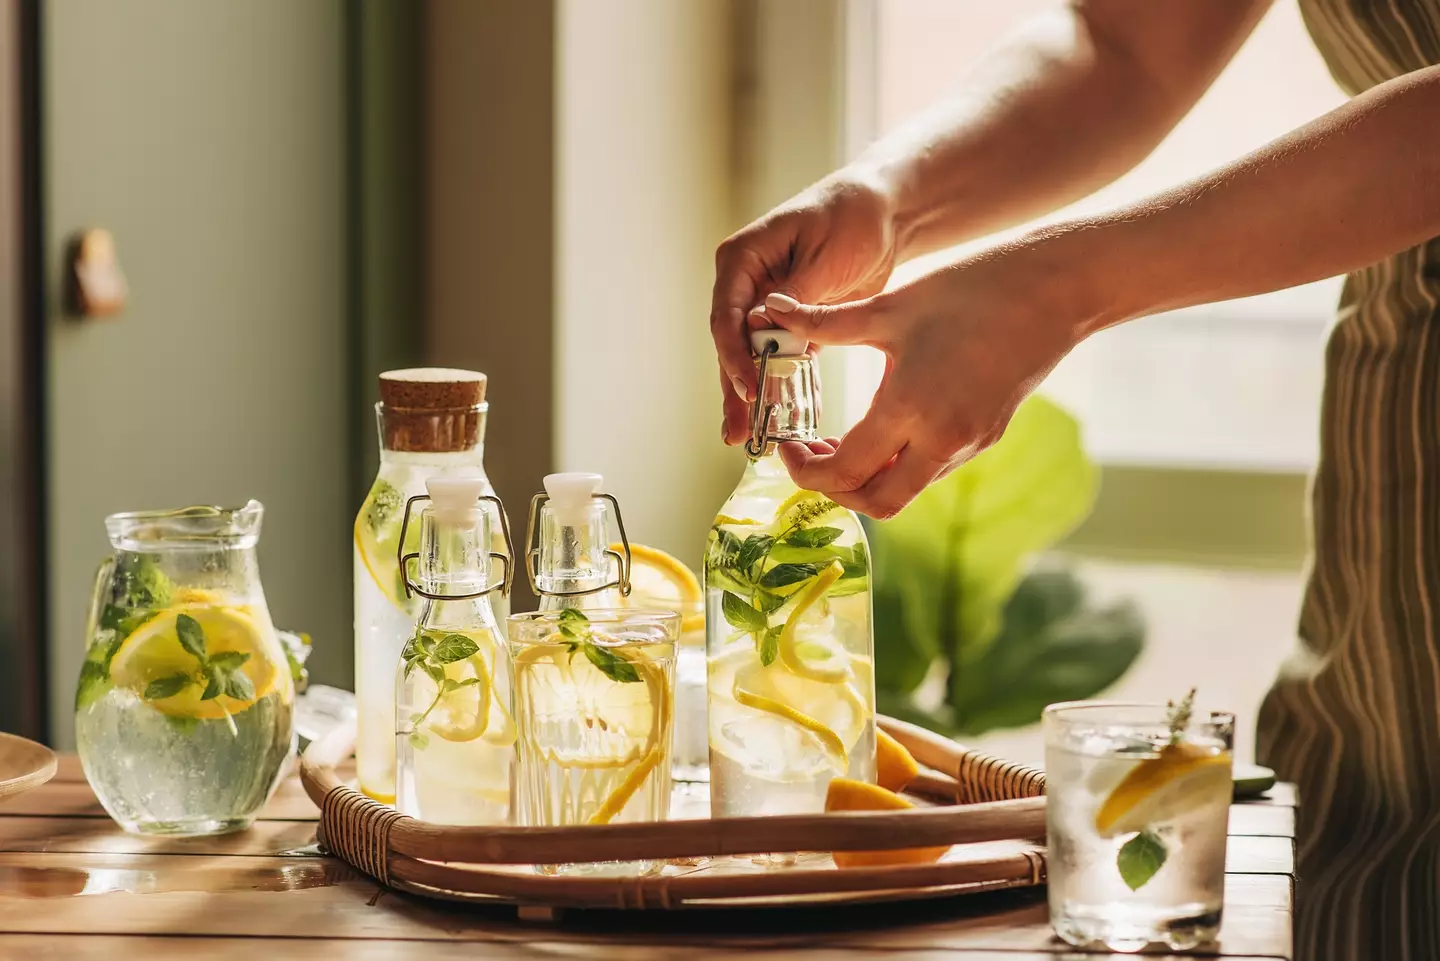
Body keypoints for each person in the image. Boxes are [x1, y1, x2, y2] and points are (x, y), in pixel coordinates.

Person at [709, 1, 1440, 957]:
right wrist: (890, 199)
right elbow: (1125, 44)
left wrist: (1055, 288)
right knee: (1377, 843)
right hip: (1402, 450)